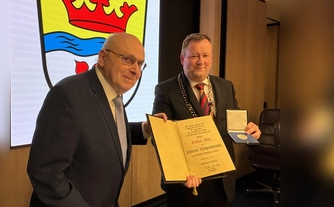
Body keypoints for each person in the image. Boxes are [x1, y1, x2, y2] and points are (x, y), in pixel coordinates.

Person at [27, 33, 166, 207]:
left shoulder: (113, 92)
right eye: (128, 59)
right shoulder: (67, 94)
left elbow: (100, 130)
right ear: (102, 58)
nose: (136, 71)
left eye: (140, 64)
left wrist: (144, 129)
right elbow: (45, 173)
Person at [152, 33, 261, 207]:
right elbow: (161, 139)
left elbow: (234, 119)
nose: (201, 61)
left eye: (205, 55)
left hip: (222, 181)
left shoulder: (226, 86)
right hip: (188, 183)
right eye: (194, 56)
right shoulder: (166, 90)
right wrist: (180, 174)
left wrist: (249, 128)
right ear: (182, 58)